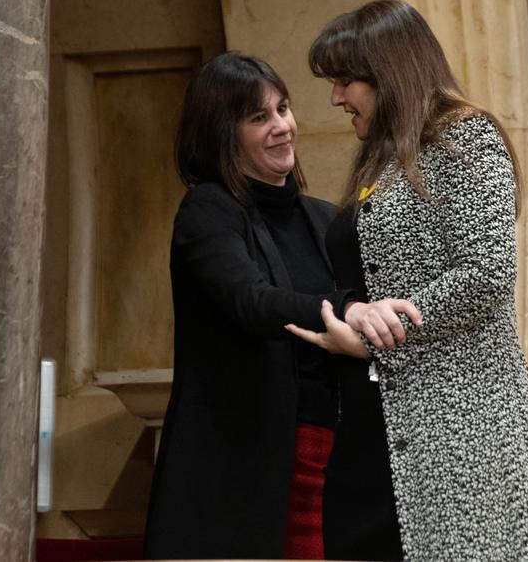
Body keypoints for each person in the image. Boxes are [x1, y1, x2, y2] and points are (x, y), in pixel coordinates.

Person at [287, 0, 528, 560]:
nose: (335, 98)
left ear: (388, 73)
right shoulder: (380, 158)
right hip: (377, 425)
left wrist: (371, 335)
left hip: (463, 434)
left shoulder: (467, 137)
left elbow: (487, 273)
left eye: (344, 81)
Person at [142, 52, 419, 560]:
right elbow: (252, 301)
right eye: (258, 117)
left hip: (336, 463)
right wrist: (345, 310)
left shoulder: (329, 219)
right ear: (222, 134)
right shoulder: (208, 211)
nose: (281, 127)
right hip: (247, 470)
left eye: (283, 109)